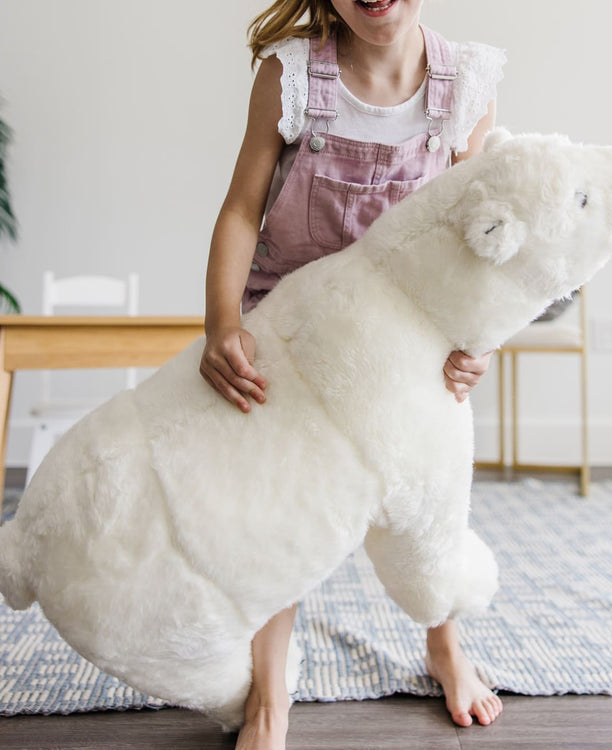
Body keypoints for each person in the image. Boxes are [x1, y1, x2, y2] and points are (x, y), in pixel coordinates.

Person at [199, 1, 506, 747]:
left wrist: (477, 340)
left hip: (409, 334)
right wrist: (221, 324)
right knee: (279, 498)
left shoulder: (466, 82)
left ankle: (444, 646)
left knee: (426, 496)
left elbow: (483, 230)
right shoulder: (292, 77)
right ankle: (269, 696)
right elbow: (243, 208)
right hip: (296, 327)